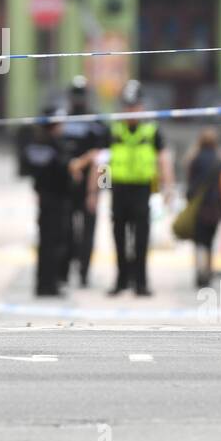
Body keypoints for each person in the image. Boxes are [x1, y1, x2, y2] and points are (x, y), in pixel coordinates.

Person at [74, 80, 174, 296]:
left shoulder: (152, 131)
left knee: (141, 239)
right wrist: (96, 191)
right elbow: (102, 163)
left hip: (142, 190)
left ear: (142, 106)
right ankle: (121, 280)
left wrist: (168, 187)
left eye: (134, 105)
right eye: (127, 105)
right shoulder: (113, 131)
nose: (130, 110)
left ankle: (141, 282)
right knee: (118, 237)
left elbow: (163, 160)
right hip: (119, 190)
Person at [18, 104, 72, 297]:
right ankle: (48, 285)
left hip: (46, 199)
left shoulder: (37, 144)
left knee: (47, 243)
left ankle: (45, 284)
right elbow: (63, 171)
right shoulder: (52, 146)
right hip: (55, 200)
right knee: (53, 244)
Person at [58, 75, 106, 288]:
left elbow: (105, 159)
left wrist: (99, 190)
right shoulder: (63, 121)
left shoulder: (97, 123)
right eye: (75, 95)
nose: (78, 99)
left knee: (88, 232)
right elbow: (57, 153)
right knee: (65, 230)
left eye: (81, 95)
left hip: (91, 185)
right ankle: (64, 271)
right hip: (67, 185)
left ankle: (84, 273)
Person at [186, 128, 221, 288]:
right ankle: (209, 271)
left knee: (199, 242)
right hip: (216, 207)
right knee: (210, 241)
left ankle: (200, 271)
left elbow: (190, 184)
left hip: (199, 207)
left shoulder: (195, 159)